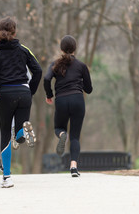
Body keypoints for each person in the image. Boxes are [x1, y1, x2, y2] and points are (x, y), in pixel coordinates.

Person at [0, 17, 42, 188]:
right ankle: (22, 134)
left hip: (6, 93)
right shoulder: (24, 49)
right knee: (18, 129)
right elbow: (38, 70)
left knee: (5, 133)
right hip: (24, 92)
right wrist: (30, 90)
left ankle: (7, 177)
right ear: (15, 32)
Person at [43, 35, 93, 177]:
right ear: (75, 49)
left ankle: (62, 134)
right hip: (78, 100)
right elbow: (89, 90)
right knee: (75, 137)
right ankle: (73, 167)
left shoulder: (55, 65)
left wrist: (49, 95)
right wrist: (78, 84)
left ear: (61, 49)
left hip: (61, 100)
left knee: (59, 128)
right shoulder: (82, 66)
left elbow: (46, 79)